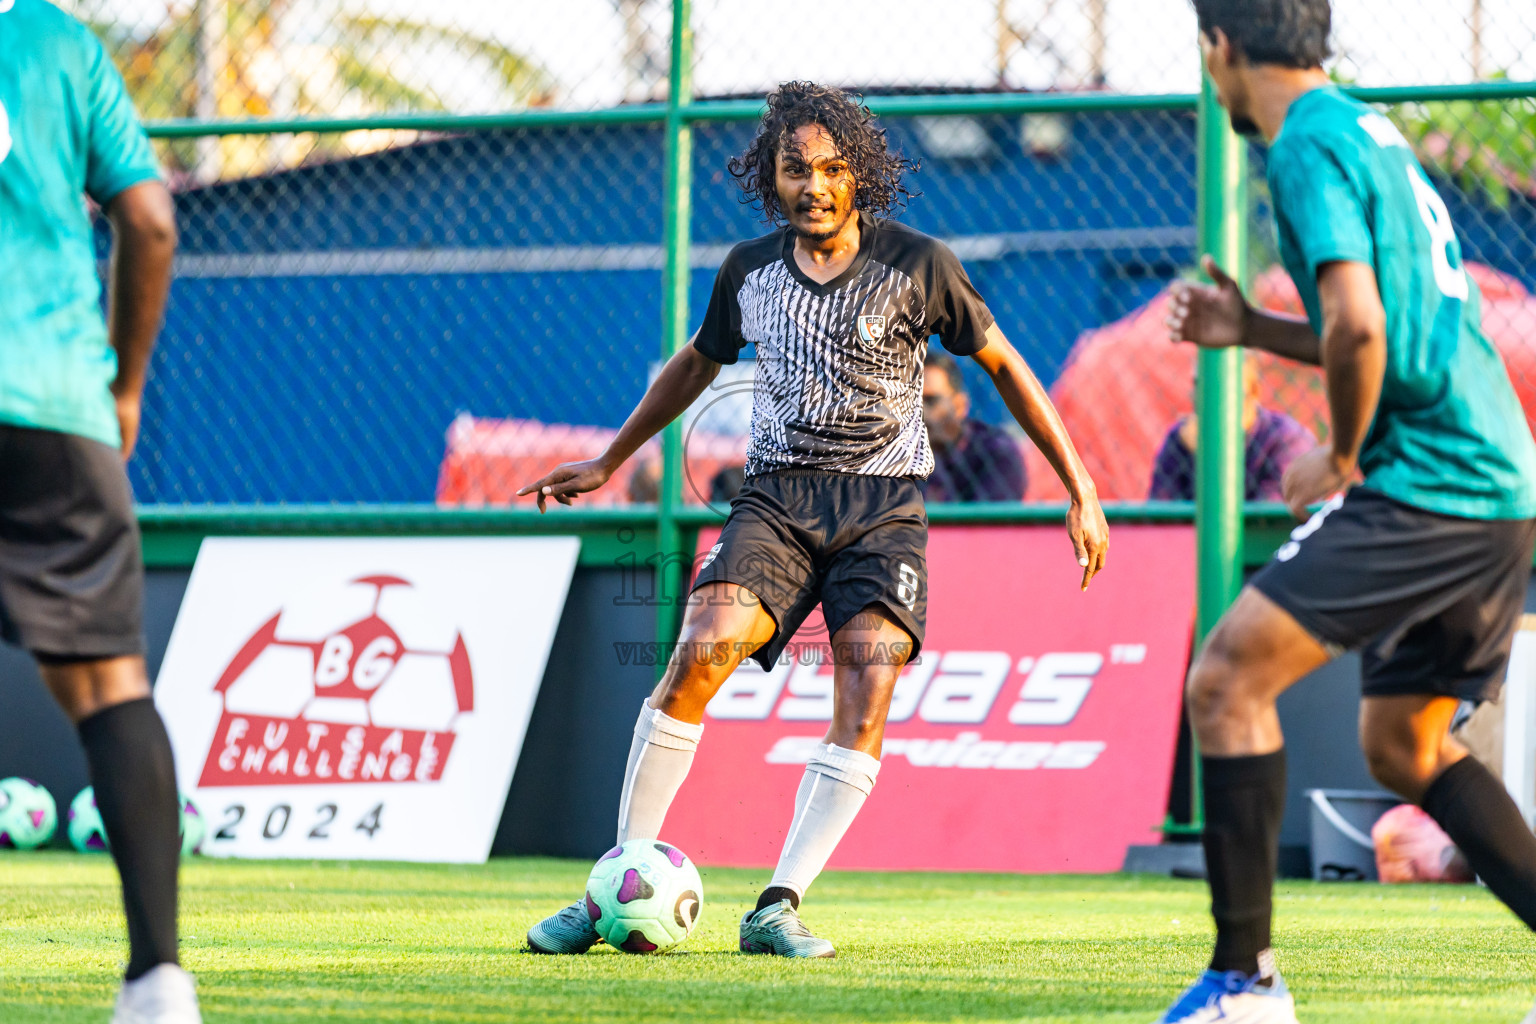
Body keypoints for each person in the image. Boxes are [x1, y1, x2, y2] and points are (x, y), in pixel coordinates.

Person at [517, 81, 1108, 958]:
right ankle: (615, 884)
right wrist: (609, 459)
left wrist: (1080, 485)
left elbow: (1006, 365)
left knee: (867, 693)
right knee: (694, 659)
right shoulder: (747, 271)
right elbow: (695, 363)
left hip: (883, 511)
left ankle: (777, 906)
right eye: (796, 169)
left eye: (834, 168)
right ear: (771, 176)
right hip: (776, 500)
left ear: (859, 176)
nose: (816, 186)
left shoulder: (921, 264)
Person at [1158, 2, 1536, 1021]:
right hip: (1501, 480)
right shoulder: (1366, 129)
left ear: (1221, 50)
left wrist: (1342, 452)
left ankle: (1245, 985)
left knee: (1227, 677)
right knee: (1405, 748)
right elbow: (1383, 322)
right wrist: (1251, 326)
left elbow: (1362, 328)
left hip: (1431, 479)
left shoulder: (1303, 147)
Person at [0, 3, 198, 1022]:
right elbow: (152, 219)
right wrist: (122, 391)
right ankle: (158, 980)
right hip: (52, 407)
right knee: (110, 685)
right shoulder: (56, 42)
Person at [1147, 357, 1314, 501]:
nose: (1207, 393)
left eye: (1221, 383)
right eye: (1199, 383)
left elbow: (1267, 524)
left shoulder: (1287, 439)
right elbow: (1159, 517)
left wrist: (1209, 455)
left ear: (1253, 391)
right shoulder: (1183, 436)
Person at [921, 350, 1029, 502]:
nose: (919, 410)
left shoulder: (996, 452)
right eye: (911, 401)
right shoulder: (895, 452)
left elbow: (989, 522)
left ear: (959, 405)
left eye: (931, 400)